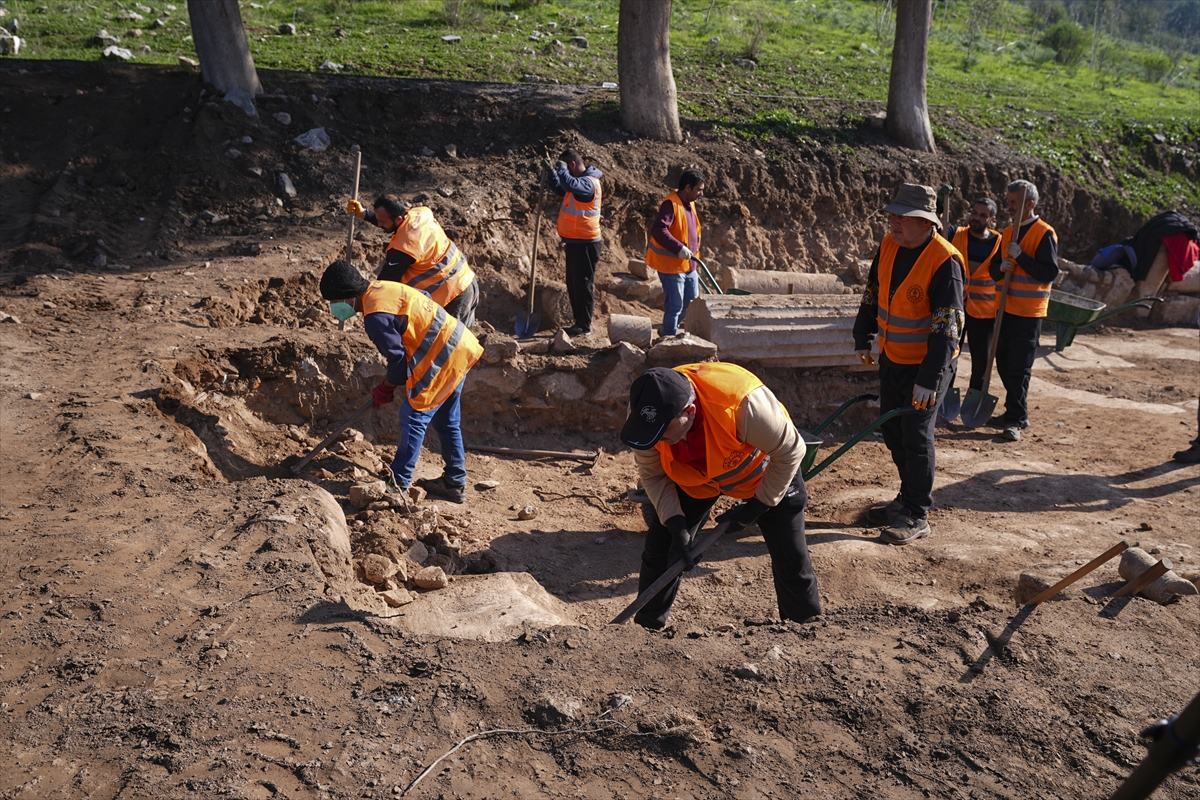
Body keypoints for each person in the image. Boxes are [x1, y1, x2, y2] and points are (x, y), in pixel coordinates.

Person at [620, 364, 821, 629]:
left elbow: (791, 451)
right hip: (693, 480)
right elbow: (654, 476)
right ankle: (644, 631)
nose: (655, 439)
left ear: (689, 412)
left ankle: (805, 630)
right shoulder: (645, 416)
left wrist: (759, 505)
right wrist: (674, 522)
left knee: (791, 560)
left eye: (663, 432)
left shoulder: (743, 405)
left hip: (762, 475)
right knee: (663, 549)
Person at [853, 183, 965, 545]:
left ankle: (917, 513)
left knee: (916, 436)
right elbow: (873, 290)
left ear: (926, 223)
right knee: (893, 431)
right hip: (893, 357)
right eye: (893, 215)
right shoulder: (889, 245)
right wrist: (862, 333)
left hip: (927, 367)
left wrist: (930, 378)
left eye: (903, 217)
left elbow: (947, 327)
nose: (894, 222)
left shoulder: (945, 262)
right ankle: (906, 496)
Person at [319, 259, 483, 503]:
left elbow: (397, 361)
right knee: (446, 420)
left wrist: (386, 388)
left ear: (346, 296)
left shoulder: (375, 316)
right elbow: (423, 298)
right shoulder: (383, 288)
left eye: (334, 301)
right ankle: (454, 482)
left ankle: (398, 483)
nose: (334, 308)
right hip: (461, 344)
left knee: (413, 416)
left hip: (443, 356)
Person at [986, 180, 1059, 442]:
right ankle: (1017, 412)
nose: (1009, 207)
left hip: (1028, 312)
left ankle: (1015, 419)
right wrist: (1001, 266)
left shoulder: (1044, 233)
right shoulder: (1008, 232)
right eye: (1008, 201)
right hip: (1005, 309)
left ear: (1029, 204)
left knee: (1019, 367)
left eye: (1014, 203)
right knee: (1004, 363)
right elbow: (993, 270)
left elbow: (1049, 272)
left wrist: (1021, 257)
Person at [347, 193, 479, 326]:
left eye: (382, 221)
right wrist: (364, 214)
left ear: (398, 219)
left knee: (453, 337)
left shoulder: (404, 247)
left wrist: (359, 301)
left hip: (453, 296)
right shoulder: (421, 213)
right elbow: (390, 222)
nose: (379, 224)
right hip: (467, 281)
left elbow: (385, 283)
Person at [944, 198, 1002, 393]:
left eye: (983, 215)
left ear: (992, 220)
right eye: (974, 213)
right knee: (949, 354)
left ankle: (976, 396)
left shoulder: (999, 243)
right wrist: (939, 209)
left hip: (984, 312)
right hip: (956, 307)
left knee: (982, 361)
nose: (976, 217)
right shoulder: (955, 234)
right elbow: (935, 231)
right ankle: (945, 394)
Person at [547, 149, 603, 337]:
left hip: (585, 243)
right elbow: (560, 188)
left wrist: (562, 170)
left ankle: (584, 326)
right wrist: (551, 173)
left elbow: (568, 183)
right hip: (576, 242)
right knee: (574, 284)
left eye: (565, 167)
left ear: (571, 165)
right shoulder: (578, 183)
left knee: (583, 285)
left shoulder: (587, 184)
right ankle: (579, 323)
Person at [646, 168, 705, 338]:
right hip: (672, 266)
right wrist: (678, 248)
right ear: (688, 188)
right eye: (699, 189)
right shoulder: (671, 205)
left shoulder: (690, 203)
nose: (701, 194)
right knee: (675, 305)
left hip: (689, 265)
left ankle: (667, 330)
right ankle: (668, 340)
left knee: (691, 303)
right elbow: (658, 229)